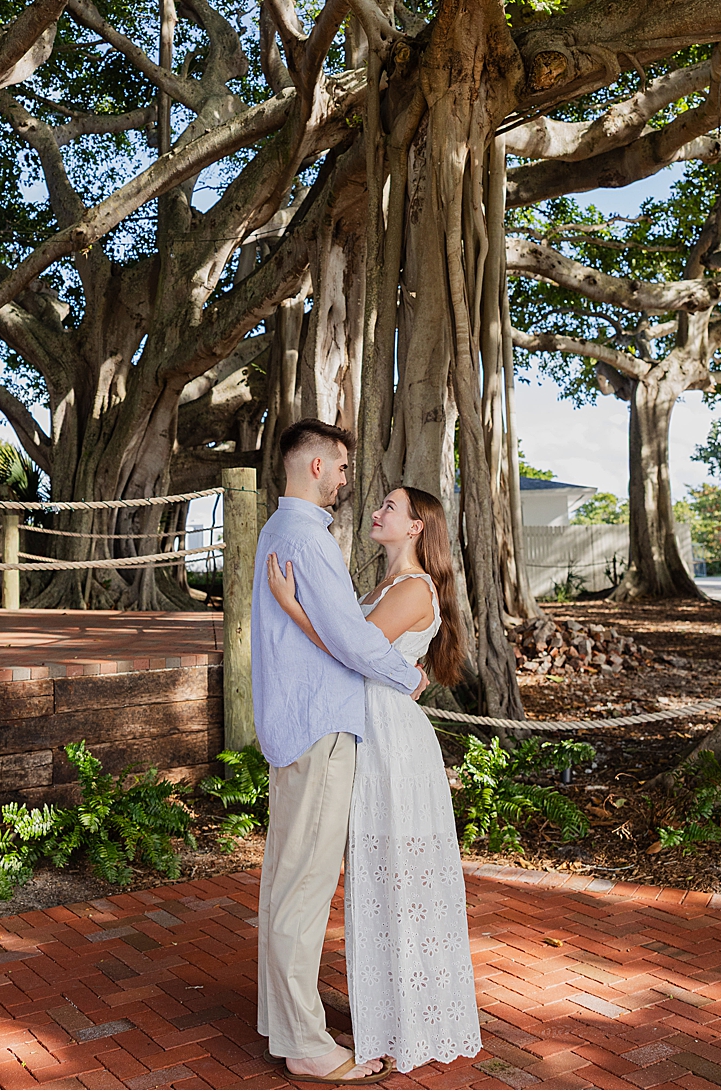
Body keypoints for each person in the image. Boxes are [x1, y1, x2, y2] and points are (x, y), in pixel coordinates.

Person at [265, 484, 484, 1077]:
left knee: (400, 874)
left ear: (416, 528)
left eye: (391, 507)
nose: (376, 512)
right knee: (375, 873)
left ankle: (417, 1015)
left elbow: (349, 649)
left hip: (393, 739)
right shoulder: (381, 586)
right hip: (369, 726)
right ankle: (386, 1011)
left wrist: (290, 605)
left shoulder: (414, 588)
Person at [251, 419, 426, 1086]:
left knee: (283, 884)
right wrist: (408, 678)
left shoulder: (280, 529)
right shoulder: (306, 537)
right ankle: (306, 1045)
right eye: (345, 469)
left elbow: (332, 626)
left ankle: (284, 1022)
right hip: (320, 727)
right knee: (303, 890)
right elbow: (351, 638)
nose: (350, 481)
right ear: (317, 465)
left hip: (295, 725)